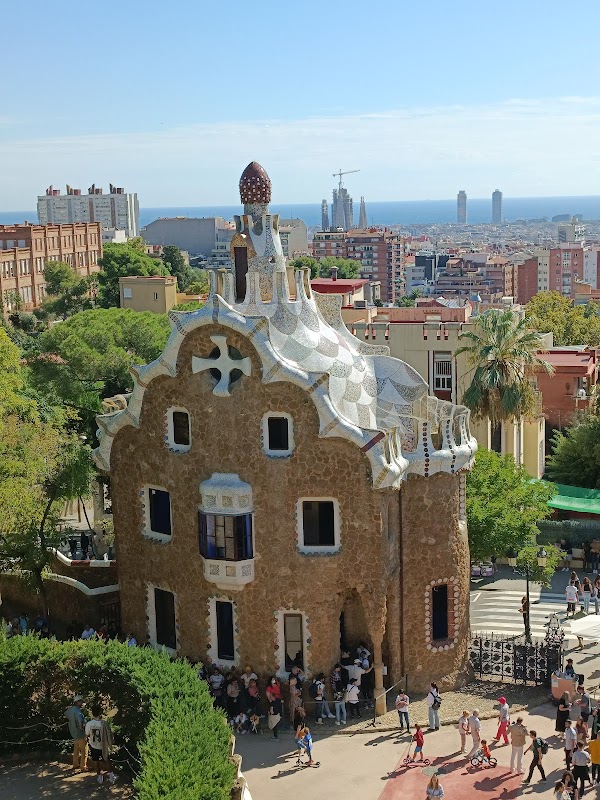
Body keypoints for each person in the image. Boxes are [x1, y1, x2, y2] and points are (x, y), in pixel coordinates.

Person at [85, 705, 116, 785]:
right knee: (106, 760)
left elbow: (87, 734)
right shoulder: (104, 723)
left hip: (93, 745)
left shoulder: (89, 724)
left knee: (96, 761)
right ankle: (111, 775)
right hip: (103, 745)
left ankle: (99, 776)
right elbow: (109, 734)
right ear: (100, 713)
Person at [65, 695, 87, 772]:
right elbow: (81, 725)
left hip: (73, 733)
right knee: (84, 751)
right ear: (77, 702)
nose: (82, 702)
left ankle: (75, 764)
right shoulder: (78, 712)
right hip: (80, 734)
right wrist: (86, 733)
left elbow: (66, 714)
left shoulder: (70, 710)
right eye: (81, 701)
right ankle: (83, 767)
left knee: (76, 750)